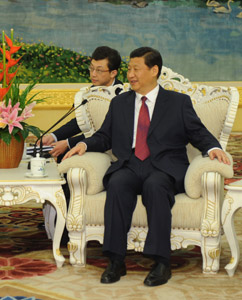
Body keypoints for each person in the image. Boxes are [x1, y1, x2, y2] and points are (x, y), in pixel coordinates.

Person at [63, 47, 230, 286]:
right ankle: (115, 260)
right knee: (118, 185)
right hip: (129, 164)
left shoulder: (177, 102)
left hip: (164, 167)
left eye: (136, 69)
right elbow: (104, 136)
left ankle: (162, 262)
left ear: (154, 71)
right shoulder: (120, 103)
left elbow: (199, 133)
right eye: (129, 69)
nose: (130, 74)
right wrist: (84, 145)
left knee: (155, 186)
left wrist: (214, 149)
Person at [40, 46, 123, 159]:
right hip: (92, 142)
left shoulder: (121, 96)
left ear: (113, 73)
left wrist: (68, 143)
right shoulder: (92, 90)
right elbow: (81, 121)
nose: (93, 74)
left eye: (99, 70)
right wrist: (53, 137)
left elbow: (102, 131)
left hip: (111, 150)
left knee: (66, 154)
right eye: (91, 68)